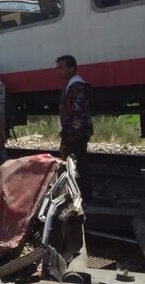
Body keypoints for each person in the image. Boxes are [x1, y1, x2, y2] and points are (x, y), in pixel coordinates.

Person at [56, 55, 93, 198]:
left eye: (61, 68)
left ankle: (82, 192)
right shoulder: (72, 84)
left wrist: (71, 134)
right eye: (57, 68)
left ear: (71, 68)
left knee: (75, 162)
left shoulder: (76, 86)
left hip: (75, 132)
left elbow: (78, 113)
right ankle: (81, 191)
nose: (58, 71)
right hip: (75, 131)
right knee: (78, 161)